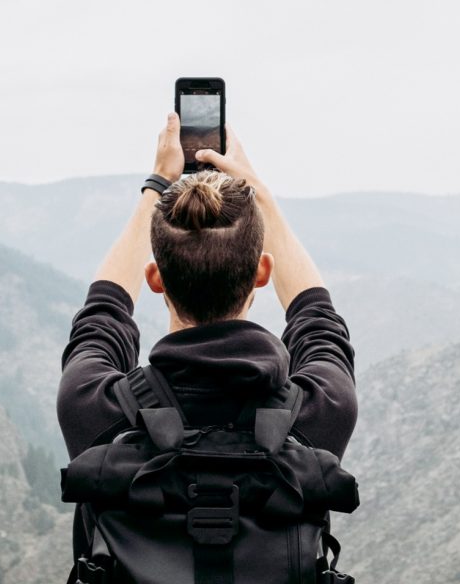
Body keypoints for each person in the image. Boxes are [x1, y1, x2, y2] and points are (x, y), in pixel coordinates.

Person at [57, 111, 358, 576]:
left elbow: (103, 315)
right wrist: (261, 194)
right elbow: (317, 318)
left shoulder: (95, 410)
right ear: (262, 272)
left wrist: (157, 184)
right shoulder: (320, 411)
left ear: (154, 279)